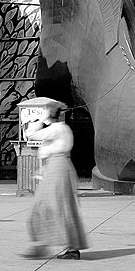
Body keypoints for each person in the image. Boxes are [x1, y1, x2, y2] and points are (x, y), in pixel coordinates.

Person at [21, 103, 87, 260]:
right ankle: (48, 244)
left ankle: (47, 245)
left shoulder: (57, 129)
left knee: (52, 206)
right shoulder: (61, 128)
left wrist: (37, 121)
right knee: (51, 205)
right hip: (56, 167)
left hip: (58, 167)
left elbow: (32, 135)